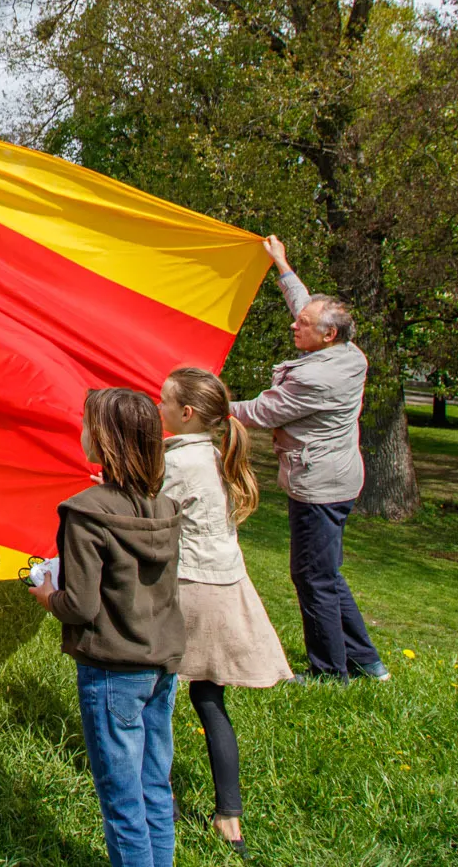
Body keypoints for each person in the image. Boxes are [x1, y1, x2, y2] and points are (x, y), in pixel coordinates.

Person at [35, 388, 185, 867]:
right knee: (154, 788)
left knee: (122, 802)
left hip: (112, 670)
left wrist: (46, 596)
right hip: (162, 663)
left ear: (101, 440)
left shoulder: (85, 511)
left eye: (85, 423)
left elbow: (79, 604)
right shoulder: (163, 507)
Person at [231, 236, 387, 684]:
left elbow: (262, 411)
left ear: (328, 335)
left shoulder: (318, 377)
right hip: (336, 478)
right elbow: (306, 304)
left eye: (303, 325)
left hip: (319, 486)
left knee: (312, 578)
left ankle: (329, 672)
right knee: (326, 573)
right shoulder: (346, 352)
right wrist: (281, 264)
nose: (294, 327)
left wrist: (204, 406)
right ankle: (366, 661)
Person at [159, 367, 292, 858]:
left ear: (186, 413)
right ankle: (228, 815)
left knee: (158, 698)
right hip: (225, 583)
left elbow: (152, 516)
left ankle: (161, 799)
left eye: (165, 402)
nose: (160, 408)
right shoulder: (215, 455)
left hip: (189, 589)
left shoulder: (181, 463)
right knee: (210, 700)